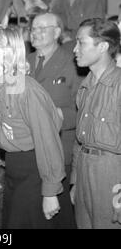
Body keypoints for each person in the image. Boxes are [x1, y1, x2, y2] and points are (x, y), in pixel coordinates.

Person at [0, 24, 65, 229]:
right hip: (13, 168)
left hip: (33, 172)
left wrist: (50, 192)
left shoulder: (27, 90)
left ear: (6, 52)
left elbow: (47, 141)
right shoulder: (0, 86)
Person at [28, 12, 81, 228]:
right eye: (33, 29)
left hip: (59, 151)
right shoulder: (24, 61)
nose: (35, 33)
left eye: (42, 28)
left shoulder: (73, 62)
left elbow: (83, 110)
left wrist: (56, 115)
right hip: (28, 150)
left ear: (57, 32)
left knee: (55, 218)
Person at [70, 18, 121, 229]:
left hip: (112, 175)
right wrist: (75, 180)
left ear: (102, 47)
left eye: (81, 43)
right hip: (84, 172)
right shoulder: (85, 87)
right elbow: (78, 141)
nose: (74, 49)